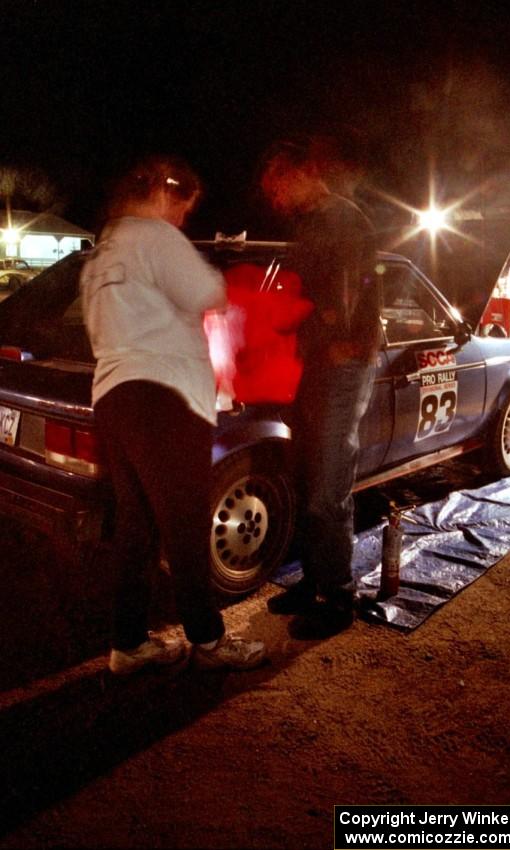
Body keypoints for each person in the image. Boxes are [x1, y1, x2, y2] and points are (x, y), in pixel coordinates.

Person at [80, 153, 266, 674]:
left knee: (137, 527)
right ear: (167, 194)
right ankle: (208, 642)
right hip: (166, 394)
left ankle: (128, 643)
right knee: (184, 523)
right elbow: (208, 293)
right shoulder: (155, 236)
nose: (183, 220)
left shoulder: (104, 249)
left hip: (114, 394)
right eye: (184, 209)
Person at [260, 134, 380, 639]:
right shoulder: (311, 223)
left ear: (304, 173)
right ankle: (313, 581)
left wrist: (343, 339)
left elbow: (350, 289)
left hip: (341, 364)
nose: (274, 197)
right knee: (310, 481)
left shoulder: (341, 218)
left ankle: (338, 597)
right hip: (314, 367)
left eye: (278, 184)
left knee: (328, 486)